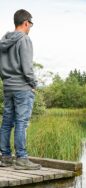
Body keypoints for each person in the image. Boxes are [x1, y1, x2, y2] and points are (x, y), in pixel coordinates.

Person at [0, 9, 41, 170]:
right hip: (22, 88)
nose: (30, 27)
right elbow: (27, 67)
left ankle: (5, 158)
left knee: (6, 123)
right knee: (21, 123)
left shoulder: (3, 40)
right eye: (30, 24)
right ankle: (22, 159)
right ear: (25, 23)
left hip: (8, 87)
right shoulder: (24, 40)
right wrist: (33, 84)